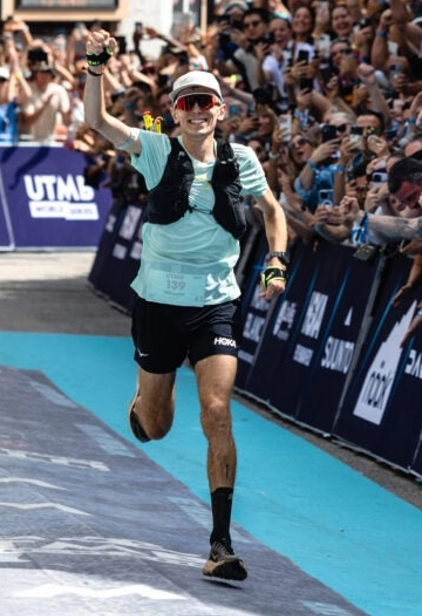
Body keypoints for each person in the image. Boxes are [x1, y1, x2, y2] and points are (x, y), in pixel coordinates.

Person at [80, 29, 288, 582]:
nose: (197, 110)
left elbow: (272, 212)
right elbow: (98, 123)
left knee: (217, 410)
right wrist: (96, 66)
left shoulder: (241, 160)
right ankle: (143, 405)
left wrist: (276, 262)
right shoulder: (155, 150)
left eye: (206, 102)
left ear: (220, 110)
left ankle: (221, 544)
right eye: (186, 102)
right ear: (174, 113)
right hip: (157, 303)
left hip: (216, 302)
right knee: (157, 424)